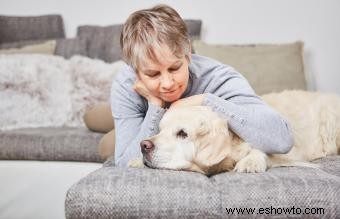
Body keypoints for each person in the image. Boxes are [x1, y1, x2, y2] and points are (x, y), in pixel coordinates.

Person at [111, 4, 294, 167]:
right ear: (135, 72)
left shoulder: (219, 78)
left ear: (188, 55)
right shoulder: (126, 85)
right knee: (107, 143)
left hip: (162, 133)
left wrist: (205, 100)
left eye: (174, 68)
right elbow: (124, 161)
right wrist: (155, 105)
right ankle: (107, 118)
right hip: (152, 128)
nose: (167, 83)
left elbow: (282, 139)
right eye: (153, 74)